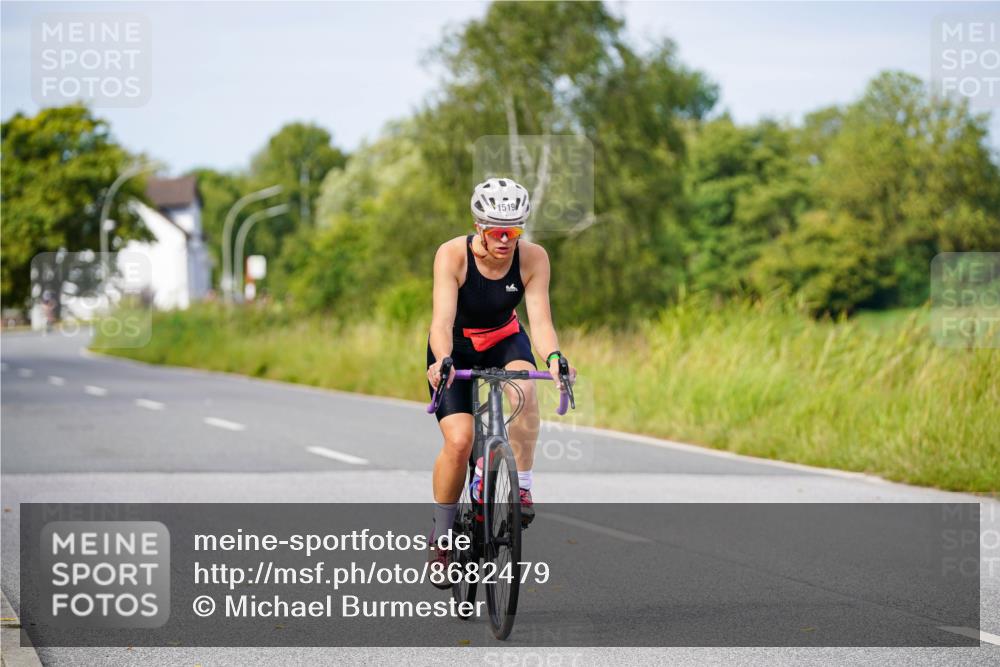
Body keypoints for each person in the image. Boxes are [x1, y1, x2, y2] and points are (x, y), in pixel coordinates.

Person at [425, 177, 575, 586]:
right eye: (497, 232)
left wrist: (555, 358)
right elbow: (441, 322)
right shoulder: (452, 255)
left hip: (504, 339)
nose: (507, 240)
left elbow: (540, 323)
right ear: (479, 227)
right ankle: (442, 537)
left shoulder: (534, 258)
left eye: (515, 230)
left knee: (524, 390)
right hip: (456, 347)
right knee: (459, 441)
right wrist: (442, 361)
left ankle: (521, 486)